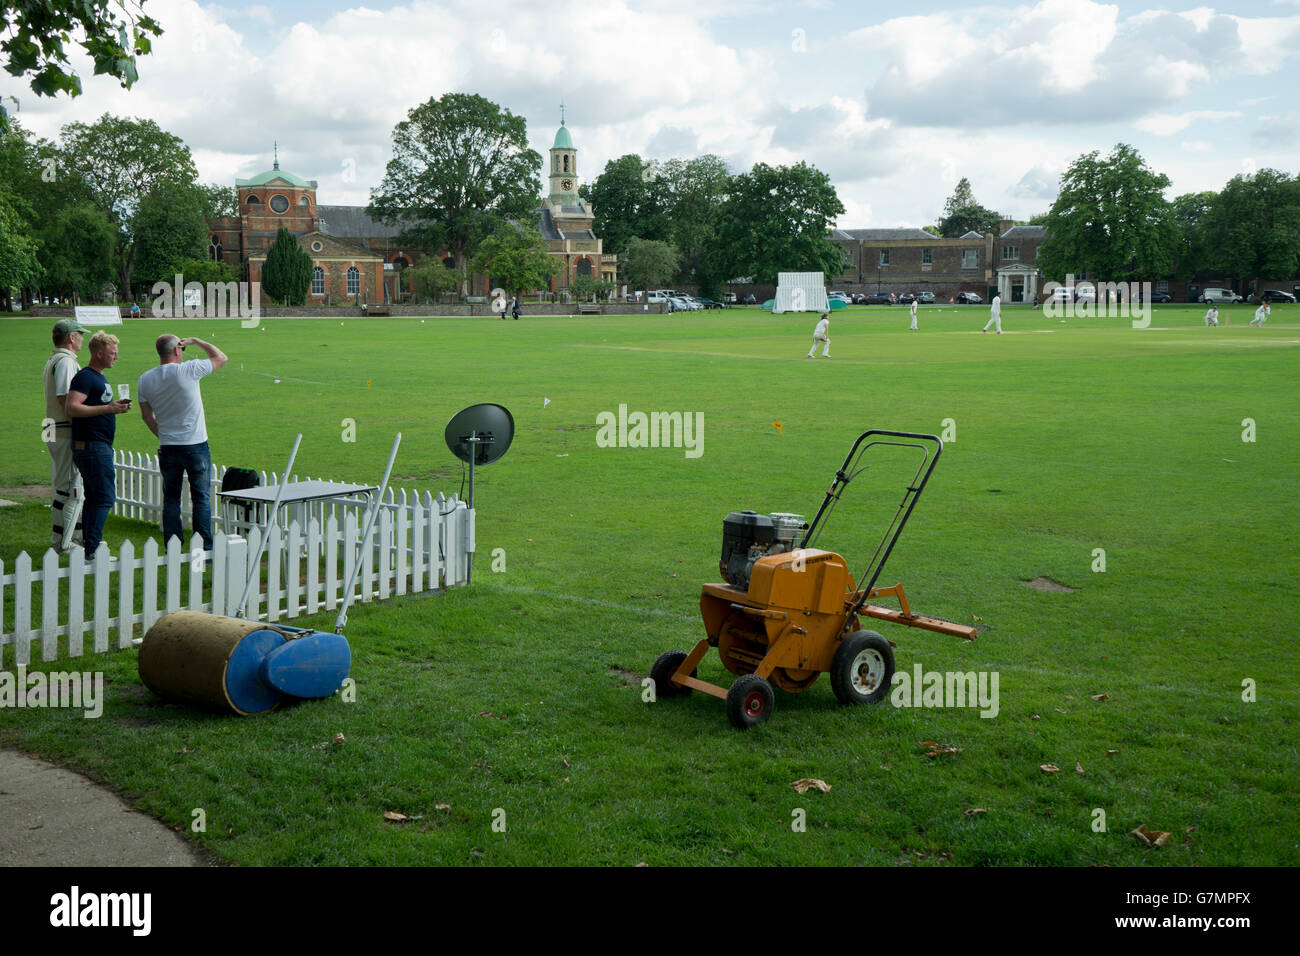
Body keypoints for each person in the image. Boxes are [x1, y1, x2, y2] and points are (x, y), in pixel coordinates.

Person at [138, 334, 227, 552]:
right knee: (201, 498)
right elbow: (221, 358)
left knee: (170, 499)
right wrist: (197, 341)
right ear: (178, 350)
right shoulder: (188, 370)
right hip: (195, 444)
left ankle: (173, 546)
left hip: (168, 446)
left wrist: (163, 435)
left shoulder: (145, 379)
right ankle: (203, 546)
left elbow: (147, 416)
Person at [65, 331, 132, 556]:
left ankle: (90, 546)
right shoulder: (85, 377)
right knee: (103, 496)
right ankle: (92, 549)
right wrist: (108, 408)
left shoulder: (97, 377)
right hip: (92, 446)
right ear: (99, 353)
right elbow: (72, 408)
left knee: (95, 496)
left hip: (96, 445)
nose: (117, 357)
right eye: (113, 353)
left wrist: (114, 407)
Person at [42, 318, 89, 550]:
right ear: (71, 337)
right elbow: (65, 398)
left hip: (51, 426)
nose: (82, 338)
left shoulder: (53, 359)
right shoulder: (66, 362)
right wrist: (80, 427)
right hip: (63, 429)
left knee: (63, 483)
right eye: (80, 335)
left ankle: (75, 536)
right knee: (70, 487)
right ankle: (63, 541)